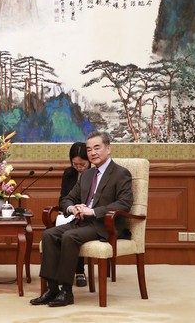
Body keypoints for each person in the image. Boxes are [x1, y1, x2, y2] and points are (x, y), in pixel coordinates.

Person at [30, 131, 133, 307]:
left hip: (103, 224)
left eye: (97, 148)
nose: (92, 152)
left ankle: (67, 291)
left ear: (108, 148)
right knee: (49, 234)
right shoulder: (87, 175)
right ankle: (52, 288)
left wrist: (93, 211)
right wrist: (72, 207)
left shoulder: (120, 173)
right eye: (89, 149)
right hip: (81, 221)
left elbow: (125, 203)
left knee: (69, 237)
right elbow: (67, 199)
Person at [56, 142, 91, 287]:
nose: (79, 168)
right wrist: (69, 208)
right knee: (52, 232)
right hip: (70, 212)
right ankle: (59, 272)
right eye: (75, 164)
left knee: (74, 231)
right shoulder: (69, 173)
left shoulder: (95, 174)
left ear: (89, 160)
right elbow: (63, 197)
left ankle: (79, 271)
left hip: (88, 213)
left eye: (82, 164)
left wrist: (83, 209)